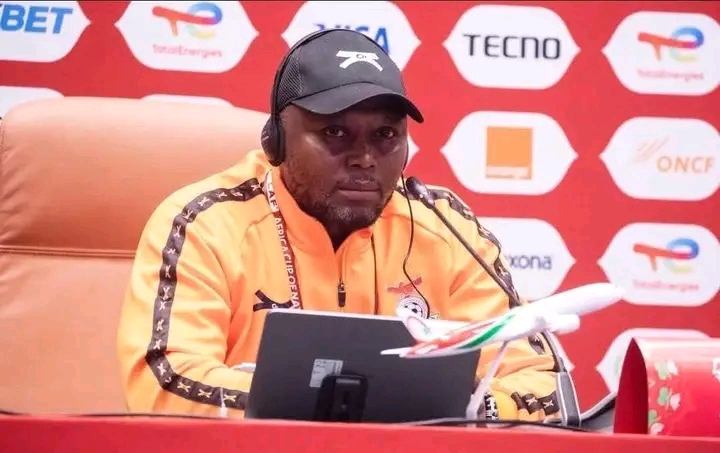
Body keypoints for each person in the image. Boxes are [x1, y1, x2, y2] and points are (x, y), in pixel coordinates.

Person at [117, 29, 560, 421]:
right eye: (335, 133)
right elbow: (167, 383)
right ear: (276, 141)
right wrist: (346, 406)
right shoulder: (208, 225)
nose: (364, 158)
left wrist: (471, 407)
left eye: (385, 135)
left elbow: (541, 386)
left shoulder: (444, 229)